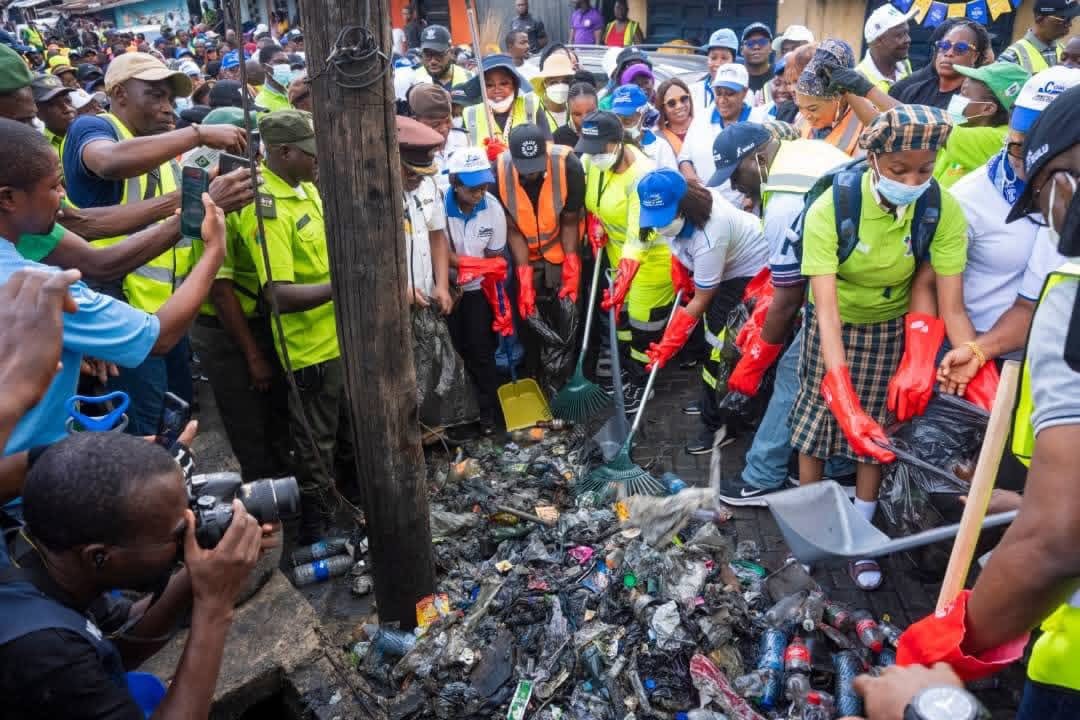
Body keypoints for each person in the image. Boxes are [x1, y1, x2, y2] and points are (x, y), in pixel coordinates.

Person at [897, 85, 1080, 720]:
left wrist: (948, 654)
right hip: (996, 376)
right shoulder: (974, 195)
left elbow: (1059, 540)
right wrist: (961, 347)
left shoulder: (1073, 300)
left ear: (1064, 181)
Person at [791, 106, 970, 590]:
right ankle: (815, 532)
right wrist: (839, 386)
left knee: (879, 430)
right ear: (873, 160)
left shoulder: (941, 208)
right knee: (817, 426)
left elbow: (950, 304)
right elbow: (825, 309)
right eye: (898, 170)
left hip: (892, 326)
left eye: (924, 169)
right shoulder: (833, 207)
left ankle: (863, 530)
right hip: (833, 323)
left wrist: (952, 354)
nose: (912, 180)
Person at [0, 429, 277, 720]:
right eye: (180, 534)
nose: (190, 535)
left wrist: (199, 575)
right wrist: (215, 605)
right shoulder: (49, 656)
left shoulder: (46, 557)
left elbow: (118, 642)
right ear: (99, 556)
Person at [0, 118, 232, 456]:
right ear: (7, 198)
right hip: (28, 489)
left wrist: (74, 340)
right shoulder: (42, 289)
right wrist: (214, 251)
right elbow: (159, 336)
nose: (62, 196)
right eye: (54, 186)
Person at [58, 52, 247, 433]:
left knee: (171, 422)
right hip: (116, 309)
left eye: (170, 100)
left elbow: (176, 220)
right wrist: (198, 133)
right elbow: (108, 162)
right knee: (140, 432)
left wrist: (212, 194)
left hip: (162, 317)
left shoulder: (159, 151)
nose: (166, 109)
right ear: (119, 93)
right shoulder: (94, 127)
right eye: (154, 96)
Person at [711, 122, 853, 501]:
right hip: (853, 282)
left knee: (794, 375)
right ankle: (839, 464)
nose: (736, 188)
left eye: (736, 176)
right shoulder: (804, 151)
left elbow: (787, 299)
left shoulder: (784, 201)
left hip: (845, 294)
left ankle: (763, 475)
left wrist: (756, 360)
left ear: (757, 159)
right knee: (831, 379)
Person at [239, 109, 353, 543]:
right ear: (283, 152)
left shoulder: (304, 189)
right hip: (309, 353)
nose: (317, 161)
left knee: (343, 438)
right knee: (315, 449)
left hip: (337, 341)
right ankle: (316, 528)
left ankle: (348, 513)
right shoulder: (266, 207)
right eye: (309, 154)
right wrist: (344, 286)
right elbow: (278, 295)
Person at [937, 66, 1079, 395]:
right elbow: (932, 287)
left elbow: (1030, 304)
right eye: (1017, 147)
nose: (1025, 162)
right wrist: (975, 352)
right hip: (973, 346)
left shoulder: (1068, 203)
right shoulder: (968, 198)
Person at [187, 107, 290, 483]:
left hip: (255, 319)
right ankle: (264, 503)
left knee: (276, 417)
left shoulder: (256, 191)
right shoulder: (217, 204)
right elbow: (221, 289)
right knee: (248, 422)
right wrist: (253, 357)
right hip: (227, 330)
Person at [636, 167, 769, 454]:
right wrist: (682, 268)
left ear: (683, 207)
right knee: (712, 338)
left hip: (748, 272)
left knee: (721, 348)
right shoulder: (674, 208)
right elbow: (677, 244)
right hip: (720, 267)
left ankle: (722, 425)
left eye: (665, 219)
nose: (659, 227)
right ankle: (710, 400)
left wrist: (669, 342)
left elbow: (701, 300)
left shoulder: (710, 234)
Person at [579, 110, 670, 411]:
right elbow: (593, 199)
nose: (592, 157)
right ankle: (626, 375)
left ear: (617, 143)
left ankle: (643, 385)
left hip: (651, 259)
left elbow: (639, 234)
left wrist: (627, 273)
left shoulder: (644, 174)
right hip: (617, 254)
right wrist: (594, 221)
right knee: (622, 322)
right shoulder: (593, 161)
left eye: (598, 149)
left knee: (643, 325)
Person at [495, 124, 584, 396]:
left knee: (567, 313)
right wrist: (524, 278)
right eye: (524, 167)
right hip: (524, 249)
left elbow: (570, 221)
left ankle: (567, 378)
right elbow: (511, 230)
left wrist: (570, 267)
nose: (530, 173)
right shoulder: (497, 171)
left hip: (561, 244)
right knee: (530, 316)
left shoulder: (568, 164)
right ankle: (539, 380)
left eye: (535, 166)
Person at [445, 147, 508, 433]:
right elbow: (438, 252)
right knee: (454, 350)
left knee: (482, 350)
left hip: (479, 290)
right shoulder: (439, 208)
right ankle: (459, 415)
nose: (479, 193)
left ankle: (488, 413)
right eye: (472, 188)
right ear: (455, 184)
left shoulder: (492, 208)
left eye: (483, 185)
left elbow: (494, 257)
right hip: (446, 289)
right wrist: (462, 265)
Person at [679, 64, 769, 187]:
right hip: (707, 199)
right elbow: (684, 158)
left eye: (729, 93)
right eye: (718, 93)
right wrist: (694, 182)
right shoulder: (701, 118)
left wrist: (753, 197)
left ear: (744, 92)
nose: (722, 100)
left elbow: (765, 162)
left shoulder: (759, 121)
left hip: (744, 201)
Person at [891, 19, 990, 108]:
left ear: (975, 56)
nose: (949, 53)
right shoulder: (913, 91)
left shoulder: (973, 101)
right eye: (944, 45)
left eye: (960, 48)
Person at [461, 54, 539, 148]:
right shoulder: (470, 114)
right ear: (482, 88)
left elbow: (547, 146)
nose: (497, 90)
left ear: (514, 85)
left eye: (504, 83)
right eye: (489, 85)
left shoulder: (532, 104)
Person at [409, 82, 467, 190]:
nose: (444, 129)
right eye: (435, 124)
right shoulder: (409, 153)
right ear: (415, 121)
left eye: (448, 121)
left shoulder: (462, 139)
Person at [999, 0, 1077, 74]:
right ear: (1039, 18)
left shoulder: (1065, 51)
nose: (1069, 24)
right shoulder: (1011, 57)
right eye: (1064, 18)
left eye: (1071, 18)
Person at [857, 3, 915, 92]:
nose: (908, 39)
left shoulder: (904, 65)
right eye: (899, 35)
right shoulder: (858, 80)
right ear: (879, 41)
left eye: (907, 33)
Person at [611, 83, 672, 168]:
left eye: (627, 121)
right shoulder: (608, 147)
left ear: (643, 115)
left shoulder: (660, 147)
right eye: (616, 121)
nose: (622, 128)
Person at [690, 29, 739, 116]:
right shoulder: (693, 91)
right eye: (713, 57)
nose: (718, 64)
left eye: (724, 58)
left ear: (734, 61)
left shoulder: (743, 94)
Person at [652, 78, 693, 170]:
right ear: (662, 108)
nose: (679, 106)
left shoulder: (705, 125)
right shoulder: (657, 139)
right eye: (671, 103)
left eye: (684, 99)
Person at [413, 25, 472, 91]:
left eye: (438, 54)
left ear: (451, 53)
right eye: (427, 55)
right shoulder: (414, 79)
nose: (433, 61)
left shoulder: (469, 78)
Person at [531, 50, 576, 135]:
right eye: (553, 82)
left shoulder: (576, 110)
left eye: (565, 81)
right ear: (544, 84)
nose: (560, 87)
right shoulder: (534, 110)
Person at [32, 73, 75, 159]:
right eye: (53, 105)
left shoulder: (93, 131)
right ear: (37, 112)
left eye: (67, 100)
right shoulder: (39, 150)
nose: (67, 109)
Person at [553, 81, 597, 148]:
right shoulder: (558, 138)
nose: (584, 119)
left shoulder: (609, 133)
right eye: (577, 114)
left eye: (590, 113)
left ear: (597, 108)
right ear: (569, 110)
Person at [741, 22, 775, 107]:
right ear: (741, 50)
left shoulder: (779, 76)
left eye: (762, 42)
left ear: (771, 47)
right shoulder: (736, 77)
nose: (756, 47)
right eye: (750, 43)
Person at [254, 44, 293, 113]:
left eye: (287, 62)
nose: (285, 66)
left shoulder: (293, 94)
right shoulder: (261, 104)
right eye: (279, 62)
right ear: (264, 67)